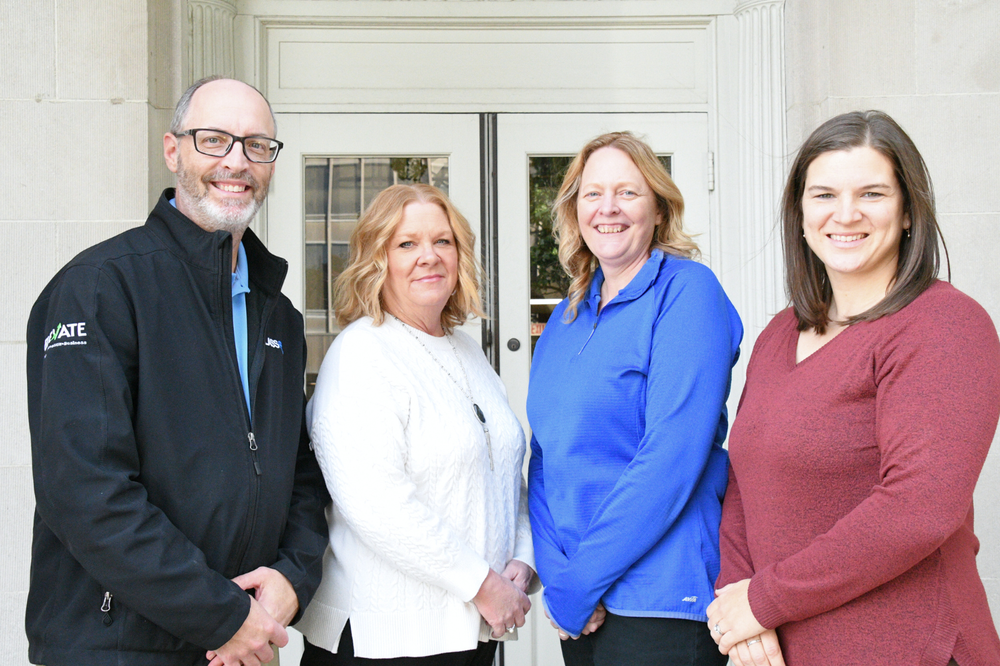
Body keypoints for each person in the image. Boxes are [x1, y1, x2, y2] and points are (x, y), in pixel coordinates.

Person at [25, 76, 329, 666]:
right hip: (115, 646)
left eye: (256, 145)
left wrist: (292, 580)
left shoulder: (280, 315)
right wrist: (220, 616)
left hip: (239, 645)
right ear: (173, 151)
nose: (236, 162)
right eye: (214, 140)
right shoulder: (99, 288)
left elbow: (299, 474)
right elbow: (85, 492)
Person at [708, 110, 1000, 666]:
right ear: (799, 214)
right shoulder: (779, 333)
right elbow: (744, 481)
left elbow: (918, 508)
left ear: (909, 210)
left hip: (908, 648)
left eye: (872, 193)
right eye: (823, 195)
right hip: (785, 649)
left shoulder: (944, 325)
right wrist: (739, 605)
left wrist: (763, 601)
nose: (846, 214)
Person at [295, 183, 536, 665]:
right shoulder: (362, 354)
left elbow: (506, 473)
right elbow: (378, 503)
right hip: (383, 639)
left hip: (467, 631)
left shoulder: (468, 351)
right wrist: (483, 583)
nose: (429, 256)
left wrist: (523, 561)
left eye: (442, 241)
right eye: (407, 244)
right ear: (376, 260)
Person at [526, 131, 743, 666]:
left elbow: (670, 459)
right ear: (575, 210)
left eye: (627, 192)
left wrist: (577, 585)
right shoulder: (566, 316)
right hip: (581, 603)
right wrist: (559, 577)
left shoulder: (689, 293)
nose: (608, 208)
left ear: (658, 208)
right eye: (592, 193)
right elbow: (544, 456)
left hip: (660, 600)